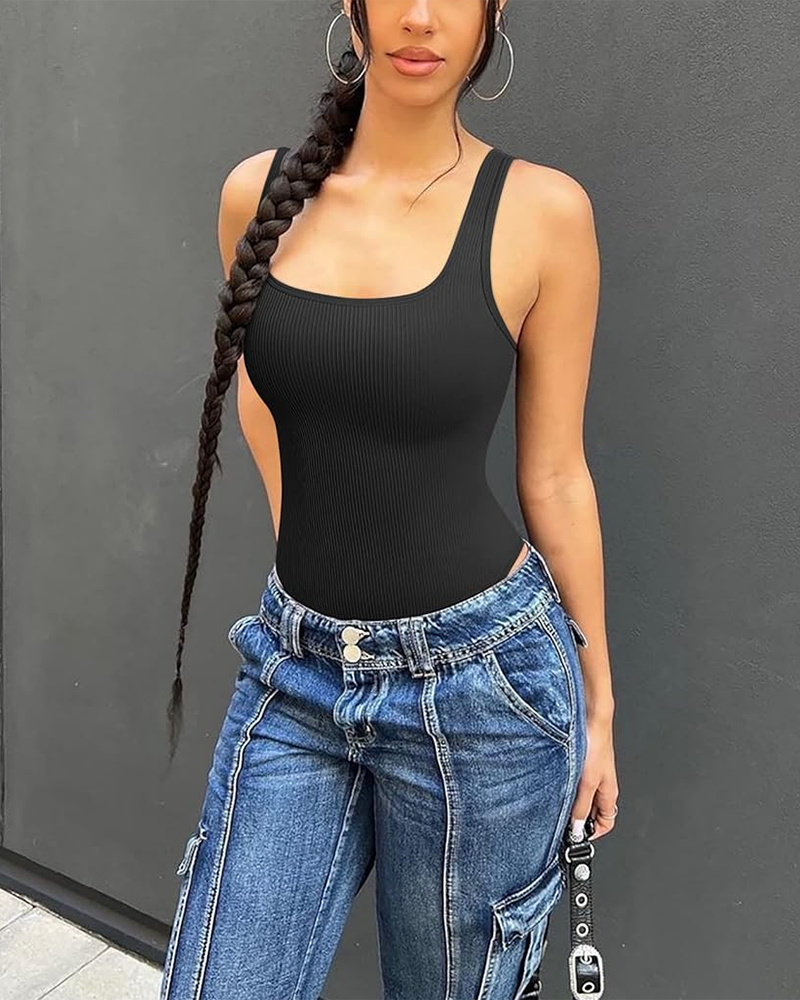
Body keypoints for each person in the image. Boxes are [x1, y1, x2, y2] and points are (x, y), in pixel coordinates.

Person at [161, 3, 619, 998]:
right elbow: (263, 402)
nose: (418, 17)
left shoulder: (542, 212)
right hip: (295, 671)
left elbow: (553, 473)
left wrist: (599, 705)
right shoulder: (257, 195)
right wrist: (314, 576)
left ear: (494, 10)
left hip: (486, 688)